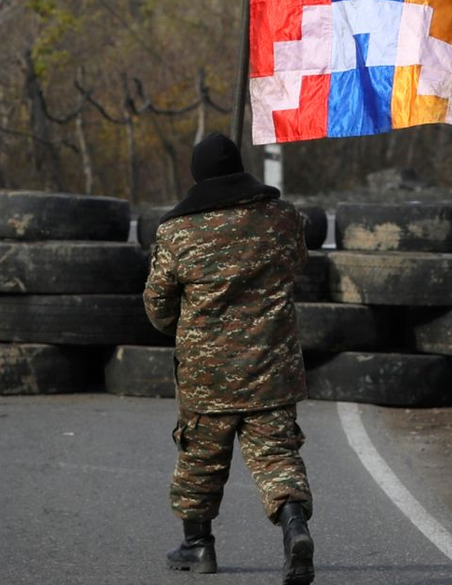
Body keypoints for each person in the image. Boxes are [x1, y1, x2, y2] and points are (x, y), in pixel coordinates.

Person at [143, 131, 315, 583]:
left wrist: (184, 329)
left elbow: (158, 306)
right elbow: (298, 262)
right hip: (272, 367)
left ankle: (198, 546)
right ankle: (294, 525)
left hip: (207, 374)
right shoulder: (282, 218)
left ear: (197, 176)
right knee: (277, 455)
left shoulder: (176, 232)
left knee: (200, 460)